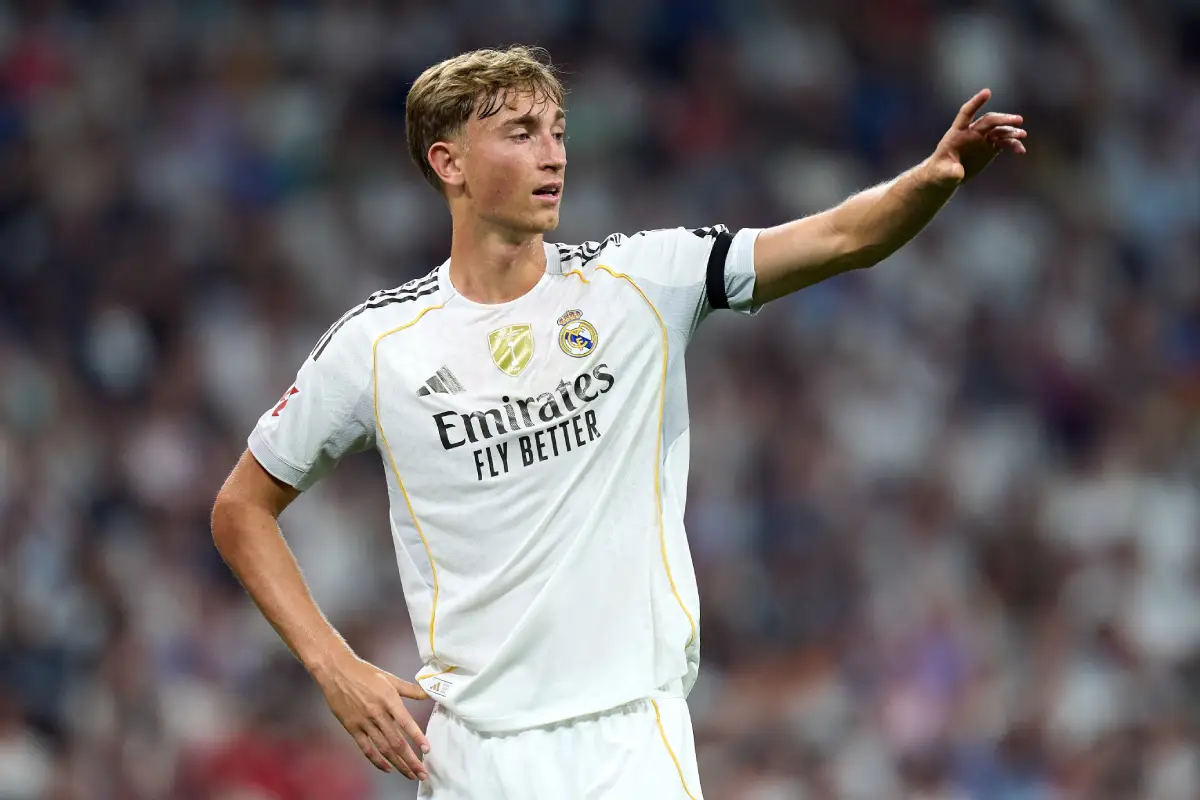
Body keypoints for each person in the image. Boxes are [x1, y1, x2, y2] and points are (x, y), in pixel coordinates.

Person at [210, 45, 1026, 798]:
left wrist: (931, 178)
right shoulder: (376, 345)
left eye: (558, 131)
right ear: (448, 162)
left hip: (631, 739)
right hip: (476, 757)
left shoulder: (642, 282)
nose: (554, 152)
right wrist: (333, 665)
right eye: (521, 133)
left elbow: (844, 237)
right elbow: (241, 507)